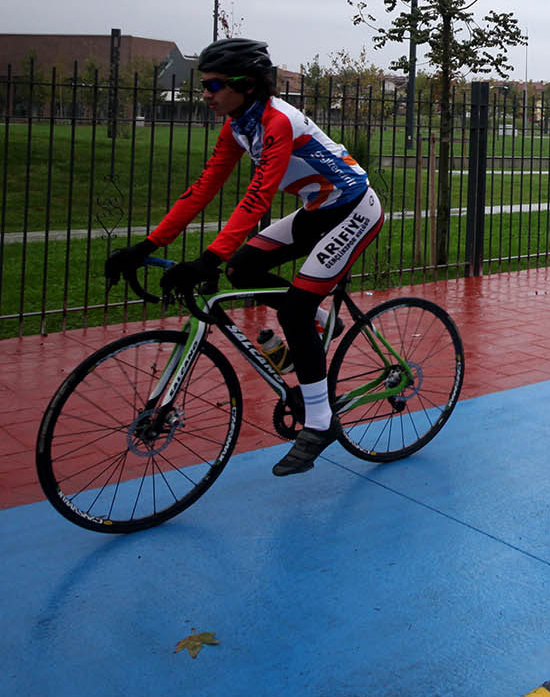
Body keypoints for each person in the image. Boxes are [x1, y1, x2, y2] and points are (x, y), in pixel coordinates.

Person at [102, 38, 383, 477]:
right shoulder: (238, 126)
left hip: (354, 208)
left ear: (245, 85)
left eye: (213, 85)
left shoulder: (278, 122)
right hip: (316, 208)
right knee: (243, 268)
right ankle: (323, 322)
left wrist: (208, 258)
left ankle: (321, 420)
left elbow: (256, 199)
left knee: (292, 310)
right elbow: (202, 189)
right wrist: (148, 245)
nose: (206, 94)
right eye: (204, 85)